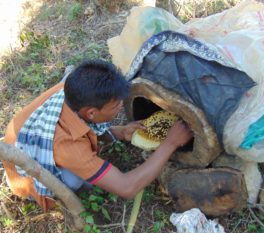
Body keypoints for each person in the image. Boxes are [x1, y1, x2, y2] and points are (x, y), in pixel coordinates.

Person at [3, 59, 193, 211]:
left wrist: (119, 133)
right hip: (25, 179)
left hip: (23, 138)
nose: (120, 107)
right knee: (74, 179)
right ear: (91, 113)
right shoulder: (69, 146)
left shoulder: (72, 89)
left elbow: (87, 125)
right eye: (116, 105)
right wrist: (170, 144)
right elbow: (127, 188)